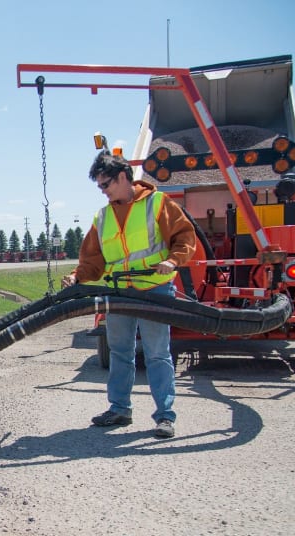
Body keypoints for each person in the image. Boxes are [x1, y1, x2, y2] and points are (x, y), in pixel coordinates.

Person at [62, 152, 195, 438]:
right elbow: (94, 258)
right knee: (120, 352)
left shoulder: (157, 204)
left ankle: (165, 416)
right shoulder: (103, 216)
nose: (104, 190)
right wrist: (77, 276)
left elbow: (184, 237)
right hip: (119, 291)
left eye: (106, 184)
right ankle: (120, 408)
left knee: (157, 353)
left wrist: (172, 262)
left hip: (154, 289)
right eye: (100, 186)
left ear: (124, 176)